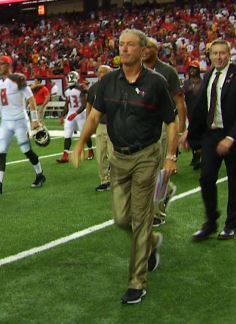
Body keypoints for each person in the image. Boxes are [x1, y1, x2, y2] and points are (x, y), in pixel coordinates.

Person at [72, 29, 178, 304]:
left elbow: (172, 120)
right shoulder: (108, 82)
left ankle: (137, 282)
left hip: (146, 155)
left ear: (143, 50)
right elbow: (94, 116)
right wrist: (81, 143)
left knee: (141, 218)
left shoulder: (155, 83)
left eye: (130, 45)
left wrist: (171, 156)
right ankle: (151, 242)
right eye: (121, 44)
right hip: (119, 158)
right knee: (121, 218)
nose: (125, 49)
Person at [188, 39, 236, 241]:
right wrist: (188, 133)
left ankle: (232, 225)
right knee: (206, 177)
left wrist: (231, 137)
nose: (218, 57)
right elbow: (201, 107)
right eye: (214, 53)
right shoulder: (208, 75)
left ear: (229, 54)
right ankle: (210, 221)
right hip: (212, 133)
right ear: (209, 55)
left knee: (235, 179)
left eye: (222, 53)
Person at [0, 55, 46, 194]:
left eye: (2, 64)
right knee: (1, 151)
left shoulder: (18, 79)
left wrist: (34, 119)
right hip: (5, 121)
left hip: (19, 121)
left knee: (25, 150)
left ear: (9, 65)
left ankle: (40, 174)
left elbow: (30, 99)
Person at [142, 37, 186, 227]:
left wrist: (182, 128)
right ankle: (165, 193)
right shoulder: (136, 70)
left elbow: (179, 100)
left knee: (159, 169)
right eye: (143, 46)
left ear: (157, 50)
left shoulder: (167, 71)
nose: (144, 50)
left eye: (149, 47)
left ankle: (158, 212)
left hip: (162, 122)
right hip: (141, 124)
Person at [57, 71, 94, 163]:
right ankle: (65, 155)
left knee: (84, 133)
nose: (70, 80)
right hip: (71, 112)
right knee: (67, 133)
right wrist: (62, 115)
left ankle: (90, 150)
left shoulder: (80, 88)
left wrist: (76, 113)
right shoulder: (66, 90)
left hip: (80, 113)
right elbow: (67, 104)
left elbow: (84, 104)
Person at [86, 65, 113, 191]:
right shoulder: (93, 89)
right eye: (99, 72)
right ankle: (104, 180)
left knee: (114, 155)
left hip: (115, 125)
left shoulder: (117, 86)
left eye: (103, 72)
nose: (100, 74)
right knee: (100, 154)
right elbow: (89, 106)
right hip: (101, 125)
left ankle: (118, 179)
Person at [182, 60, 203, 170]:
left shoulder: (203, 83)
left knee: (201, 135)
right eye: (190, 68)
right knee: (191, 136)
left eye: (194, 68)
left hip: (201, 113)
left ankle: (200, 156)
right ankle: (195, 156)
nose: (192, 70)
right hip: (189, 113)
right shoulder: (186, 84)